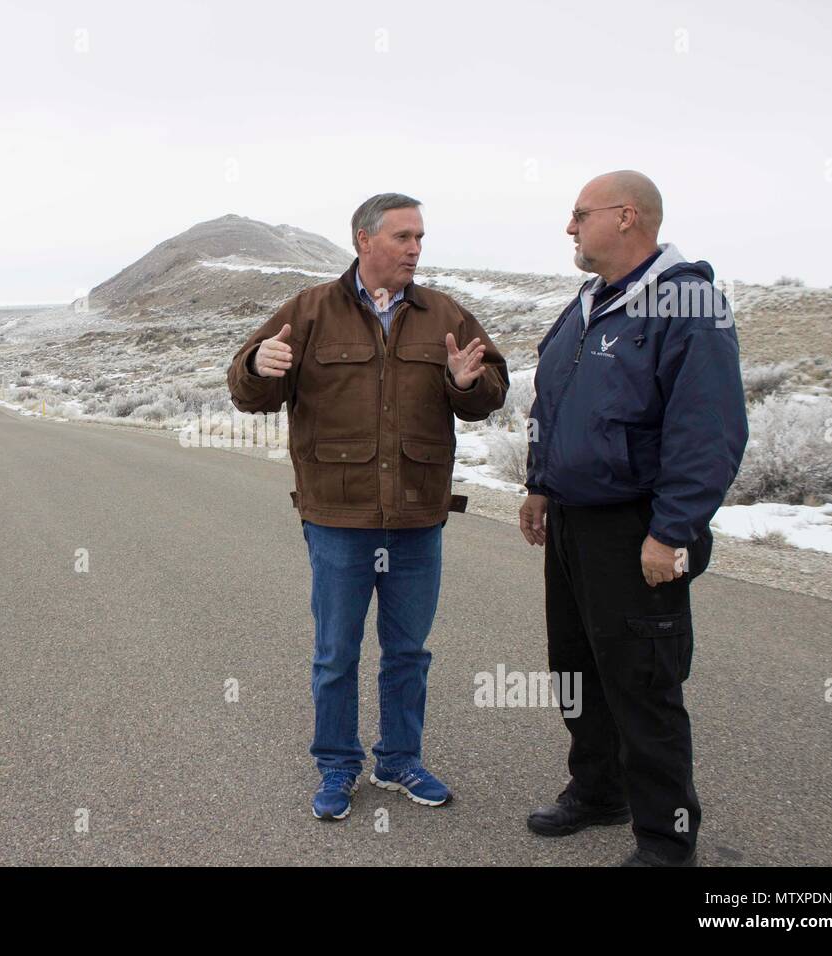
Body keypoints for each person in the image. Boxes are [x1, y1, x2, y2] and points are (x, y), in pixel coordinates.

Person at [226, 193, 508, 820]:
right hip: (337, 519)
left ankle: (400, 759)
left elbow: (491, 387)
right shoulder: (310, 311)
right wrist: (256, 364)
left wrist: (467, 382)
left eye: (420, 238)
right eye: (403, 237)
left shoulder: (445, 314)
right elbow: (247, 391)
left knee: (408, 651)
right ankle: (336, 766)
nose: (415, 249)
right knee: (336, 653)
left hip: (416, 517)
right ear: (364, 240)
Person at [519, 170, 747, 865]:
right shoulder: (588, 303)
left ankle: (667, 840)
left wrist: (671, 529)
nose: (569, 228)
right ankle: (598, 791)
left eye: (579, 214)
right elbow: (552, 405)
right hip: (574, 522)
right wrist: (539, 484)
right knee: (578, 666)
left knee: (643, 682)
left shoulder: (689, 304)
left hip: (639, 525)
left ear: (626, 217)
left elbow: (708, 431)